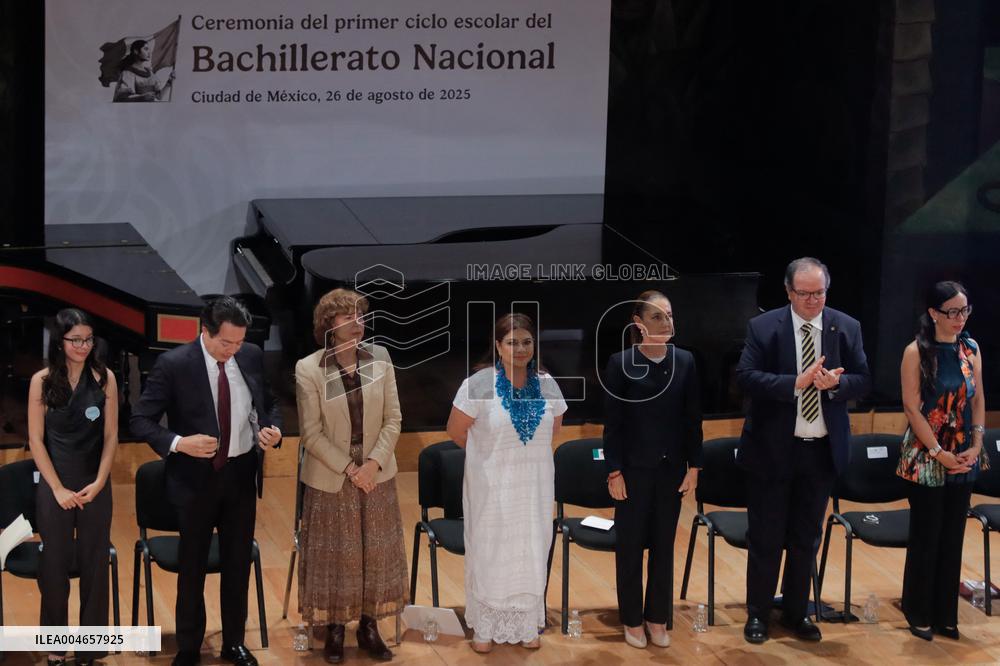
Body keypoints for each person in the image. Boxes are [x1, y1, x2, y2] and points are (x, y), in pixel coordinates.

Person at [131, 296, 282, 666]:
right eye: (225, 343)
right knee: (193, 567)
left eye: (239, 343)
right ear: (206, 332)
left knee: (236, 565)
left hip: (241, 476)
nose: (233, 351)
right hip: (194, 481)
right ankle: (189, 647)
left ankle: (234, 642)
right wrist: (180, 443)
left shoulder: (249, 357)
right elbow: (140, 420)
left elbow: (270, 403)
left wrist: (272, 429)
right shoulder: (174, 364)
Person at [736, 257, 870, 644]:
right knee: (766, 537)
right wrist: (796, 382)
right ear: (789, 291)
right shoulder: (763, 327)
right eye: (805, 294)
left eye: (820, 293)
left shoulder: (846, 326)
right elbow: (745, 377)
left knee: (806, 537)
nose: (813, 301)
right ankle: (758, 614)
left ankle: (796, 612)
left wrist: (834, 386)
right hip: (773, 450)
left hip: (821, 451)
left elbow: (863, 379)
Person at [294, 288, 407, 663]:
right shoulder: (308, 368)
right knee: (337, 556)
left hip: (376, 472)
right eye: (349, 317)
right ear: (329, 323)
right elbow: (311, 433)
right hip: (333, 474)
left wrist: (373, 463)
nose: (359, 323)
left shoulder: (381, 358)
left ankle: (370, 626)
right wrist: (350, 468)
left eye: (361, 316)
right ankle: (336, 629)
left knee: (375, 553)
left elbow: (394, 418)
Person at [446, 313, 567, 653]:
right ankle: (485, 627)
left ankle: (527, 624)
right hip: (491, 486)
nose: (520, 348)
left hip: (534, 487)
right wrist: (491, 458)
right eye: (512, 342)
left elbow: (553, 431)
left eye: (527, 342)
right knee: (491, 550)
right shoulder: (479, 384)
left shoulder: (547, 384)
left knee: (530, 550)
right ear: (498, 346)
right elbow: (455, 432)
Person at [603, 291, 702, 649]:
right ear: (639, 324)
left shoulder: (686, 361)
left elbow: (693, 420)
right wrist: (614, 471)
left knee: (663, 546)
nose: (668, 323)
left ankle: (657, 617)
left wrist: (695, 466)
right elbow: (613, 425)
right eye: (658, 317)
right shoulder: (621, 363)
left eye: (670, 316)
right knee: (629, 547)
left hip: (671, 471)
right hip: (632, 471)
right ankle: (631, 619)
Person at [27, 309, 118, 666]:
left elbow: (111, 436)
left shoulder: (105, 378)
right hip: (56, 485)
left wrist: (99, 481)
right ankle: (56, 646)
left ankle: (91, 648)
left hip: (95, 483)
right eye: (75, 339)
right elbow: (35, 440)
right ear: (60, 341)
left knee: (96, 564)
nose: (83, 345)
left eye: (88, 339)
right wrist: (58, 489)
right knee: (55, 564)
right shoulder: (42, 381)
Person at [897, 281, 987, 640]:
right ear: (933, 313)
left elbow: (979, 398)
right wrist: (939, 453)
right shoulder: (916, 352)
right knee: (927, 535)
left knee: (953, 536)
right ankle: (918, 611)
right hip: (927, 453)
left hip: (963, 450)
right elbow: (911, 407)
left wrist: (978, 442)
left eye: (964, 310)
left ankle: (946, 615)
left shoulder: (971, 348)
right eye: (952, 312)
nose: (959, 318)